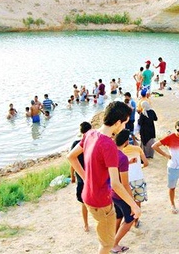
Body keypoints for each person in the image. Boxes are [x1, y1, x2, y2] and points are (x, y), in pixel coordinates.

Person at [66, 101, 140, 254]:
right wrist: (134, 205)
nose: (124, 127)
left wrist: (87, 180)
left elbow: (71, 157)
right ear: (118, 122)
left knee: (105, 239)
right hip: (101, 202)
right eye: (125, 123)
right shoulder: (109, 145)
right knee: (107, 244)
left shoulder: (89, 134)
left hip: (87, 196)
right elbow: (116, 184)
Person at [152, 120, 179, 214]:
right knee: (172, 188)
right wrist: (166, 155)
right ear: (175, 129)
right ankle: (172, 204)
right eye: (178, 130)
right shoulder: (170, 138)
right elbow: (154, 146)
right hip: (173, 168)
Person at [111, 130, 135, 253]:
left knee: (119, 215)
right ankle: (114, 245)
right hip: (120, 193)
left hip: (111, 191)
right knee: (130, 219)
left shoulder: (110, 153)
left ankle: (112, 240)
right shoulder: (123, 158)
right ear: (126, 142)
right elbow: (125, 184)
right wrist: (132, 203)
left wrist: (128, 163)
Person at [122, 134, 149, 228]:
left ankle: (128, 220)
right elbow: (146, 163)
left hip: (127, 180)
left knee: (129, 201)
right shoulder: (137, 149)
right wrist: (140, 167)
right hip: (139, 179)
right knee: (138, 201)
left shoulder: (119, 151)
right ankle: (136, 221)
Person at [70, 121, 92, 232]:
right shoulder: (93, 143)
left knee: (84, 203)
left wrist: (72, 176)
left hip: (81, 179)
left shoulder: (75, 144)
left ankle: (86, 224)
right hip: (92, 178)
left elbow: (72, 160)